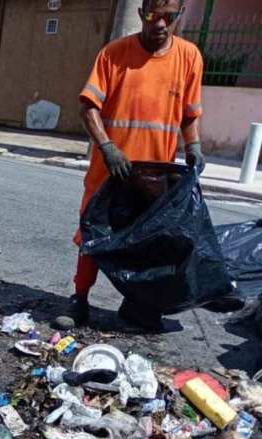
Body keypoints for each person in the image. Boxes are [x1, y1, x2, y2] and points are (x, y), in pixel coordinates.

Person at [65, 0, 205, 331]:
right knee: (92, 237)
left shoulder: (189, 58)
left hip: (153, 177)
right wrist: (108, 147)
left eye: (168, 17)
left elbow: (190, 114)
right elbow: (88, 107)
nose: (160, 23)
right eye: (154, 15)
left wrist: (194, 146)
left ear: (178, 17)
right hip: (109, 171)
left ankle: (137, 308)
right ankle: (79, 300)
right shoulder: (114, 55)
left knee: (145, 244)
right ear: (142, 14)